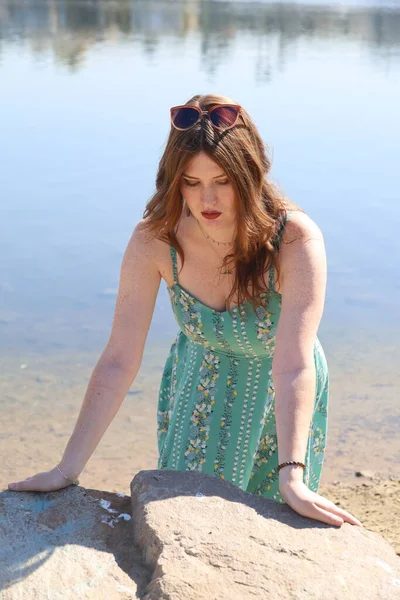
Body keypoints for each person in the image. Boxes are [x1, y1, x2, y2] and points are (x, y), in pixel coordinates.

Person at [8, 93, 362, 528]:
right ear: (174, 181)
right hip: (202, 383)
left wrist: (293, 473)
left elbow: (293, 364)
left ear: (247, 175)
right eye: (191, 183)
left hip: (282, 392)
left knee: (273, 523)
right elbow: (119, 360)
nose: (206, 198)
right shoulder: (156, 239)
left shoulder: (294, 239)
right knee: (187, 523)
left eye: (222, 181)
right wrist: (67, 469)